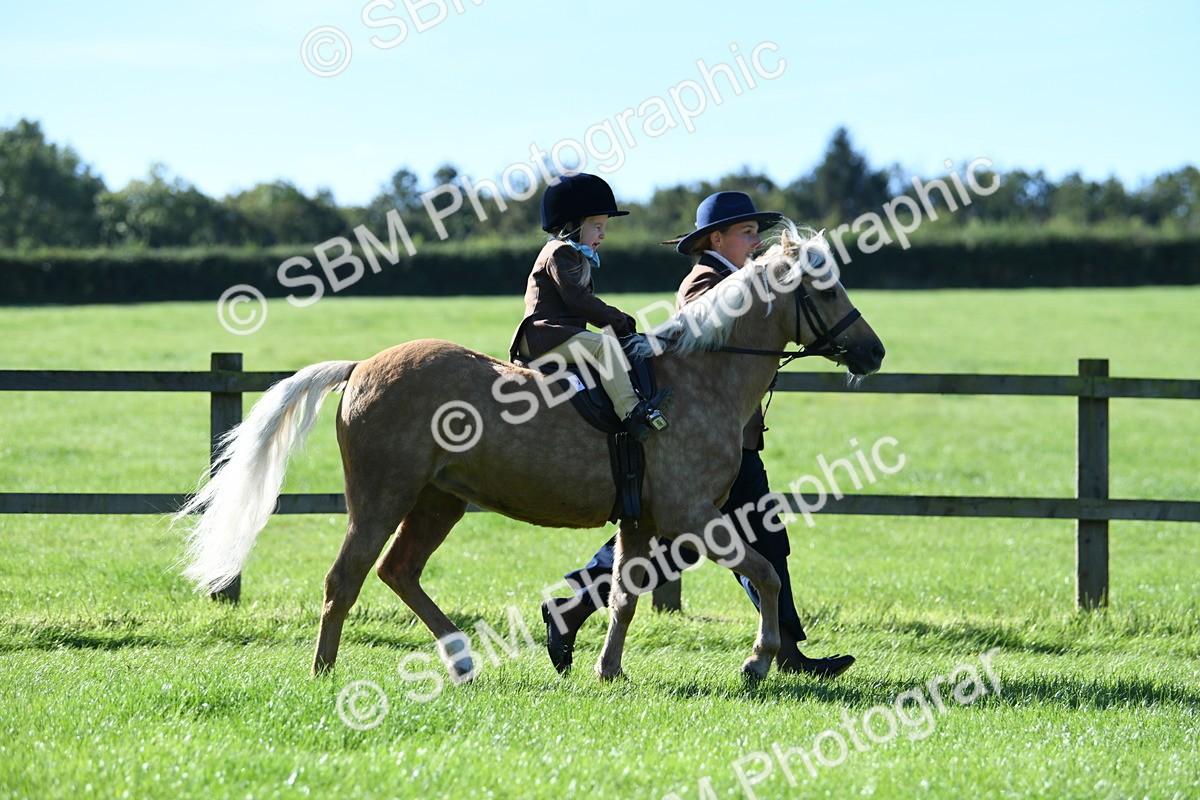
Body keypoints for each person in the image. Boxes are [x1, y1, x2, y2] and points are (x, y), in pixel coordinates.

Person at [540, 191, 856, 679]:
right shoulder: (705, 282)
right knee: (701, 541)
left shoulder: (742, 278)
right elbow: (697, 342)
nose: (756, 242)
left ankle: (574, 608)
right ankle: (784, 652)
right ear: (717, 239)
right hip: (701, 443)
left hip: (726, 440)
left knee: (692, 544)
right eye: (747, 233)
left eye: (756, 234)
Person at [509, 173, 673, 442]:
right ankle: (632, 412)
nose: (603, 235)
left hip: (554, 335)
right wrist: (618, 321)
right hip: (544, 336)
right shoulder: (559, 252)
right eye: (597, 226)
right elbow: (579, 300)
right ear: (572, 225)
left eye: (604, 227)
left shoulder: (571, 254)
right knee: (605, 346)